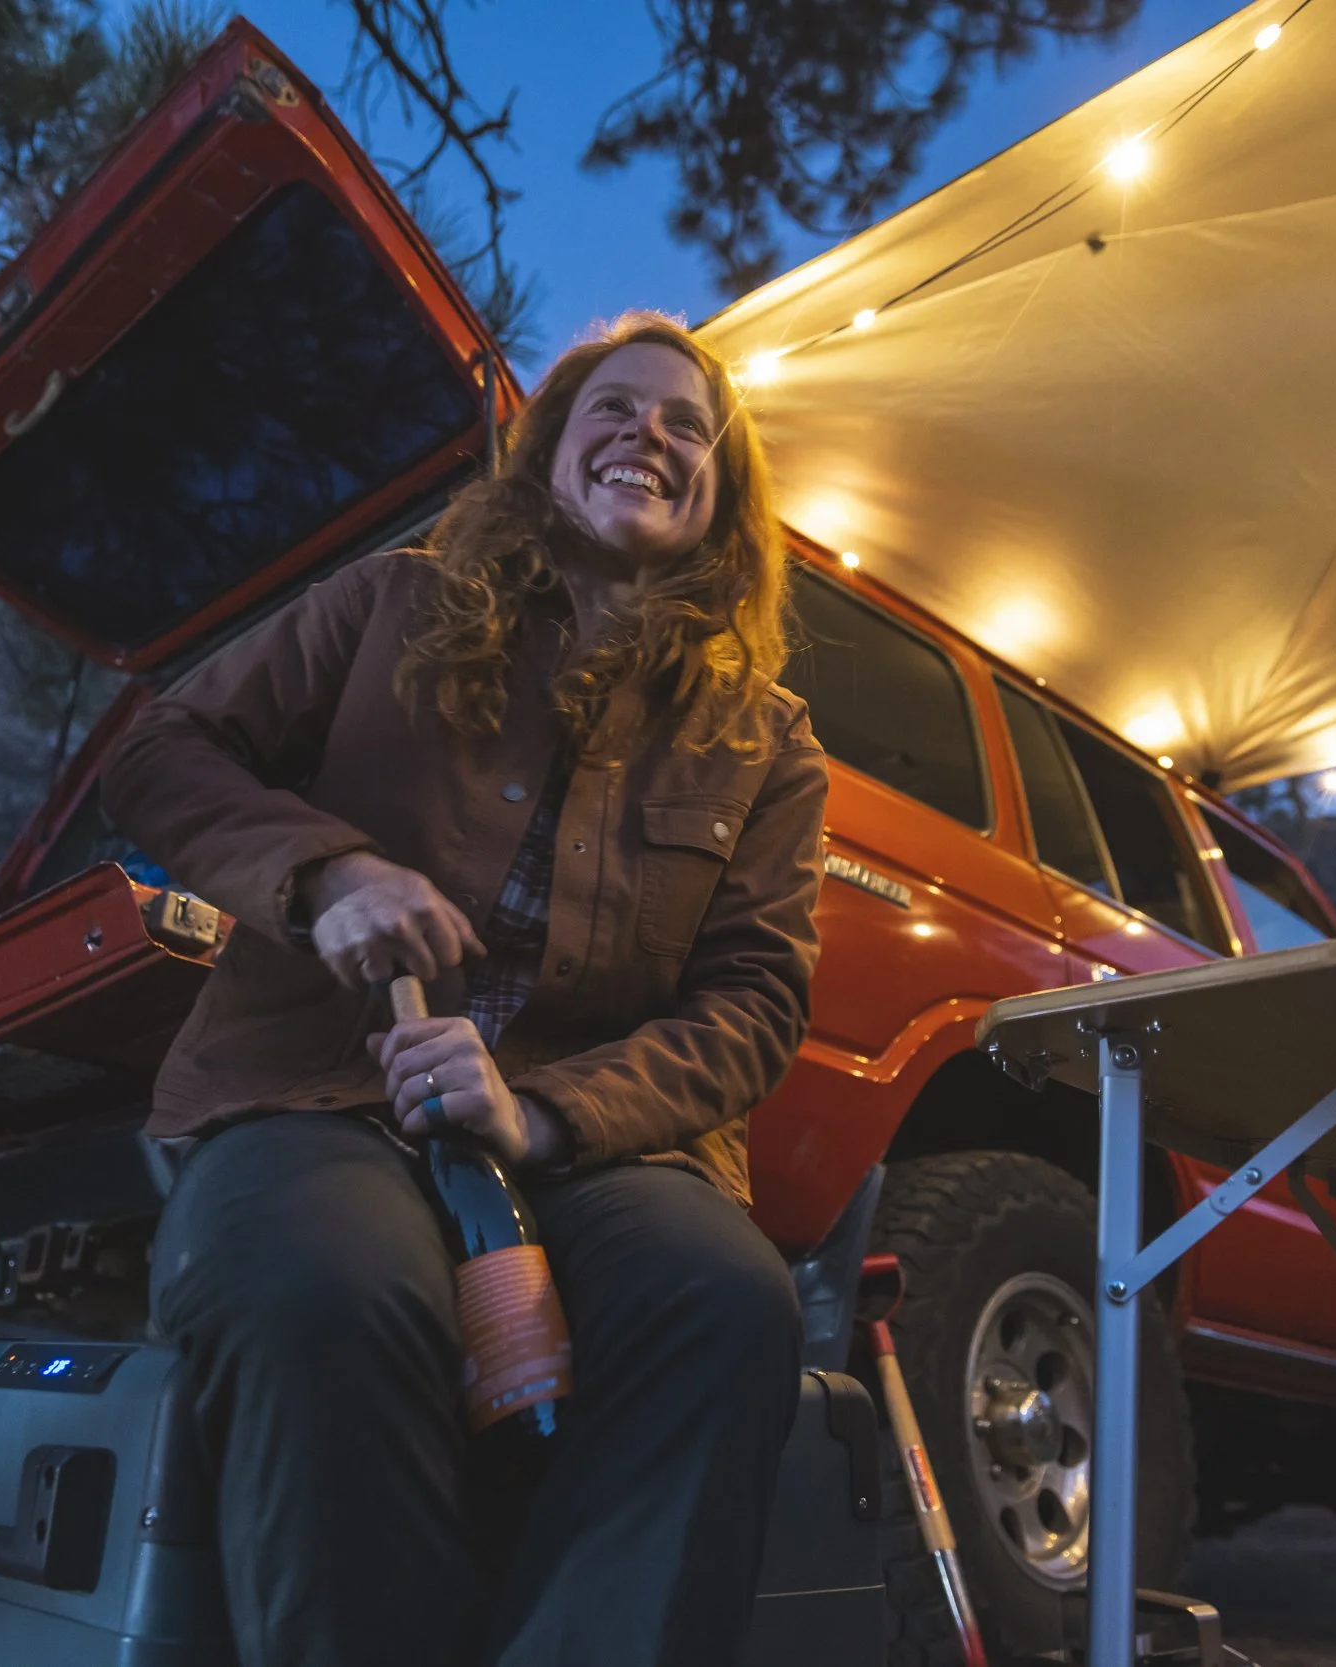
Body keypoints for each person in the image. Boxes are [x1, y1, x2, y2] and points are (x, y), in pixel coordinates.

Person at [100, 310, 829, 1667]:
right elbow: (158, 752)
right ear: (551, 449)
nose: (651, 438)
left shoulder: (767, 741)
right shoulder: (389, 601)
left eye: (690, 428)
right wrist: (327, 875)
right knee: (328, 1291)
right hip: (315, 1097)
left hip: (594, 1145)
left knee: (726, 1303)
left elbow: (754, 1003)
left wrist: (545, 1116)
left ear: (726, 500)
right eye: (616, 409)